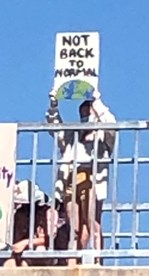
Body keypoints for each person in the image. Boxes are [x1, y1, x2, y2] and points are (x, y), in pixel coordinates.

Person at [46, 89, 116, 263]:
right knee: (75, 227)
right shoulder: (73, 135)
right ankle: (73, 260)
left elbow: (111, 124)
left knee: (93, 222)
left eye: (88, 112)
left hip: (92, 178)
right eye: (82, 113)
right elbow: (55, 129)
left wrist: (97, 101)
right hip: (71, 177)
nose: (85, 116)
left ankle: (98, 260)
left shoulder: (103, 136)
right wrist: (53, 106)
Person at [3, 180, 68, 267]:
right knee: (9, 262)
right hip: (22, 252)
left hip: (46, 250)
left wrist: (25, 243)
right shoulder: (19, 215)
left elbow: (50, 239)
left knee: (39, 250)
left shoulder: (49, 213)